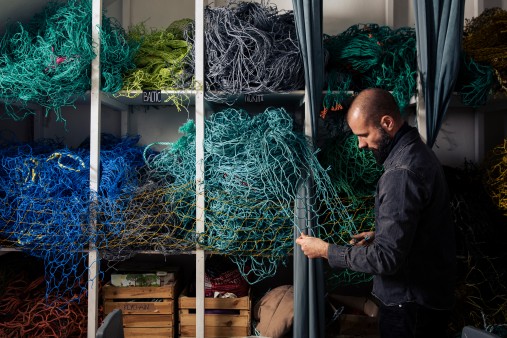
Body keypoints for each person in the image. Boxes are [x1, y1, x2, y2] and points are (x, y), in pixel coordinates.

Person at [296, 88, 456, 338]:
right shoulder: (416, 153)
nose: (360, 145)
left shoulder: (400, 174)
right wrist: (381, 234)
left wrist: (326, 251)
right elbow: (422, 224)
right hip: (425, 301)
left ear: (387, 123)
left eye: (364, 135)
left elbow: (386, 259)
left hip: (410, 307)